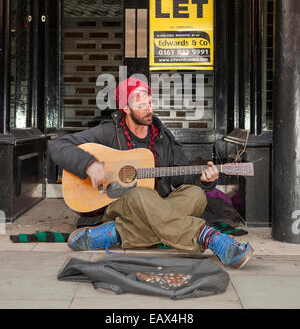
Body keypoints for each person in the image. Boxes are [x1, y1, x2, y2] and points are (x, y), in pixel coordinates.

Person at [50, 77, 254, 268]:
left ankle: (117, 233)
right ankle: (212, 238)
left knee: (196, 195)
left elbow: (181, 177)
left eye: (150, 103)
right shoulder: (108, 132)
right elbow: (59, 146)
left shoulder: (162, 137)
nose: (149, 109)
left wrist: (205, 179)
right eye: (142, 105)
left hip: (154, 206)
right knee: (140, 193)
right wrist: (89, 164)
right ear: (126, 109)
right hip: (114, 205)